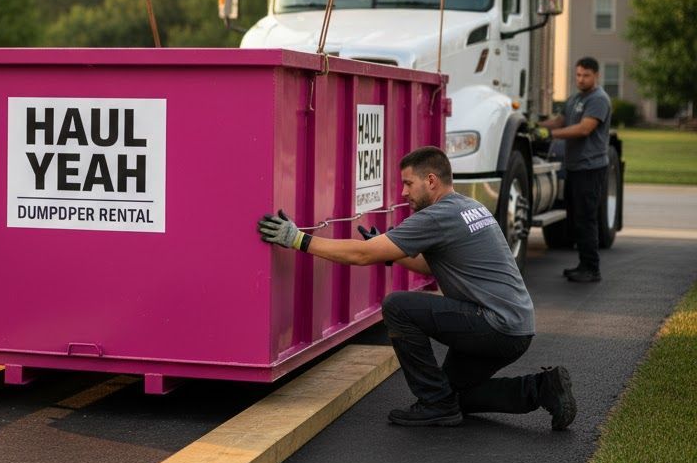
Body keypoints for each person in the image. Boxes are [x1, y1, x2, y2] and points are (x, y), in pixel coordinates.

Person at [257, 146, 576, 430]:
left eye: (409, 183)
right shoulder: (467, 206)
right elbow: (429, 264)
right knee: (454, 394)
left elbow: (360, 255)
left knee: (397, 306)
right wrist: (390, 253)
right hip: (515, 327)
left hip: (495, 325)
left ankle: (434, 406)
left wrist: (297, 239)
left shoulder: (437, 216)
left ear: (432, 181)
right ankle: (542, 388)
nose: (404, 192)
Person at [535, 57, 611, 283]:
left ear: (596, 75)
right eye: (578, 75)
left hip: (591, 167)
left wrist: (551, 135)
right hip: (576, 167)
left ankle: (592, 269)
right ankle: (583, 264)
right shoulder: (576, 98)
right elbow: (561, 120)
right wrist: (537, 126)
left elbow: (585, 128)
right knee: (577, 217)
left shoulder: (599, 99)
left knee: (587, 218)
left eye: (586, 75)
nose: (581, 79)